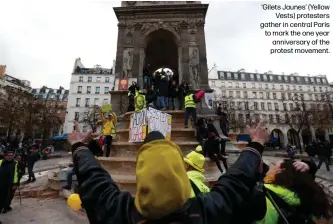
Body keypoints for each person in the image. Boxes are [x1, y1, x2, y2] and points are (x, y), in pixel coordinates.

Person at [68, 120, 270, 224]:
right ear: (181, 173)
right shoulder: (204, 212)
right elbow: (235, 182)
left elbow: (95, 180)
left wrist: (78, 145)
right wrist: (256, 145)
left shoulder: (120, 213)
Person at [256, 159, 333, 223]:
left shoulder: (266, 191)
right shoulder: (302, 192)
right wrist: (308, 165)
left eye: (274, 165)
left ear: (280, 171)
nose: (270, 168)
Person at [0, 150, 18, 217]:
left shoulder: (15, 163)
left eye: (11, 155)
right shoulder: (1, 162)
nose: (10, 157)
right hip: (1, 183)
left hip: (9, 185)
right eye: (8, 155)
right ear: (5, 156)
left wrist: (15, 184)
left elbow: (16, 174)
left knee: (7, 198)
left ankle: (5, 207)